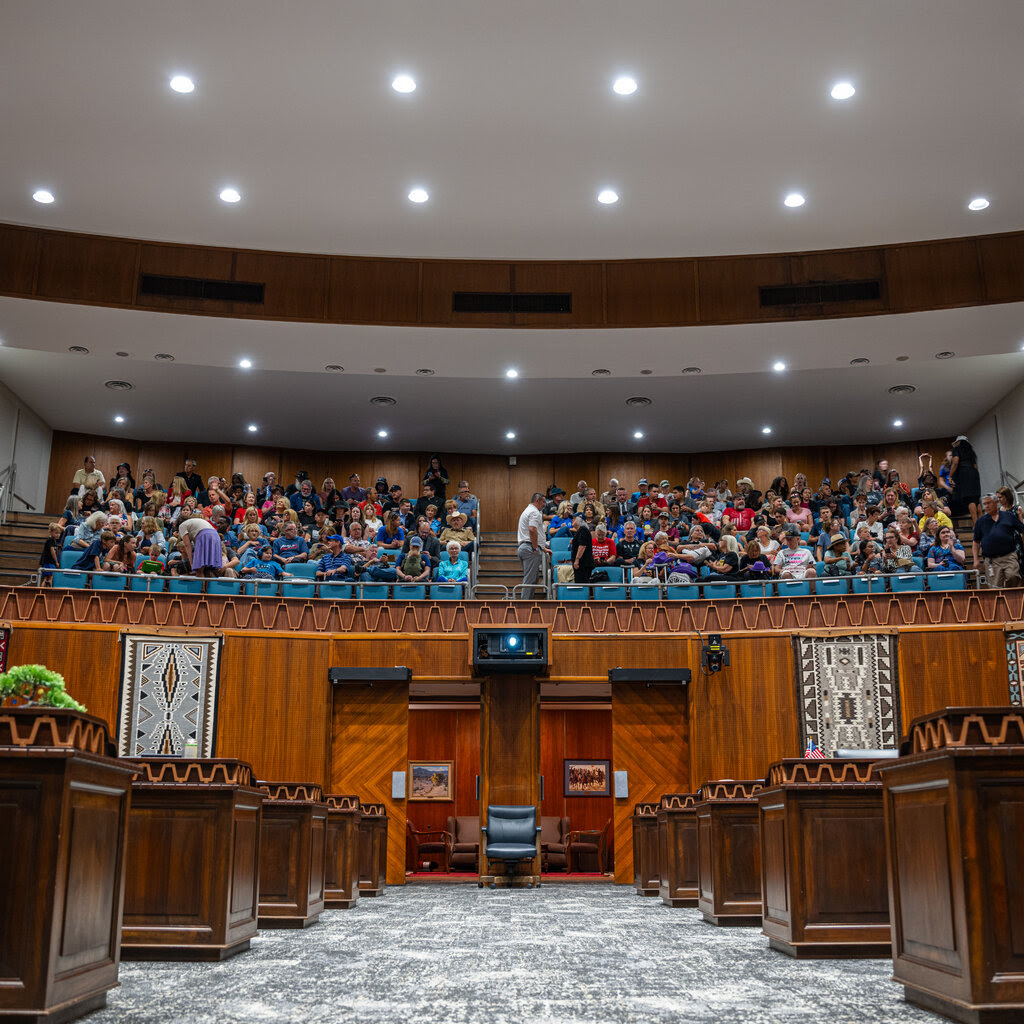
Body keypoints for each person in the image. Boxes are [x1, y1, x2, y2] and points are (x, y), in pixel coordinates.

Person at [972, 493, 1024, 587]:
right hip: (991, 560)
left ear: (996, 502)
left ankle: (1009, 596)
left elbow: (1022, 529)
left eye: (989, 503)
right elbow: (976, 542)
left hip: (1009, 556)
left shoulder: (1008, 516)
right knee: (995, 587)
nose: (986, 506)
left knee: (1013, 576)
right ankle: (1001, 599)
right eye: (985, 504)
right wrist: (975, 559)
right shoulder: (981, 521)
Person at [517, 492, 548, 596]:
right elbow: (532, 529)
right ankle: (524, 607)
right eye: (543, 502)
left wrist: (542, 548)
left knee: (533, 578)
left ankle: (526, 604)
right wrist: (535, 547)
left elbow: (535, 531)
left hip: (526, 547)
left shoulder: (528, 510)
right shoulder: (534, 512)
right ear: (537, 501)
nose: (545, 505)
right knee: (530, 580)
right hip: (530, 548)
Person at [177, 513, 223, 578]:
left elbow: (187, 545)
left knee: (199, 570)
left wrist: (191, 563)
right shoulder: (194, 522)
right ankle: (208, 587)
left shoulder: (182, 526)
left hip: (204, 536)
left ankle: (201, 588)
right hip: (216, 536)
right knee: (209, 569)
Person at [949, 435, 981, 523]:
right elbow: (975, 466)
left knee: (969, 499)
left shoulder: (956, 449)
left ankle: (975, 524)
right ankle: (982, 522)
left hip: (963, 474)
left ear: (958, 442)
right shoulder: (971, 452)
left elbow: (955, 462)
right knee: (976, 500)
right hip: (974, 474)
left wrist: (950, 476)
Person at [570, 516, 594, 584]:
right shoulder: (581, 531)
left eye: (574, 520)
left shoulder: (583, 530)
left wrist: (577, 560)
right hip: (583, 563)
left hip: (583, 564)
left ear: (579, 521)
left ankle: (583, 595)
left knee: (582, 584)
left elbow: (582, 546)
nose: (572, 521)